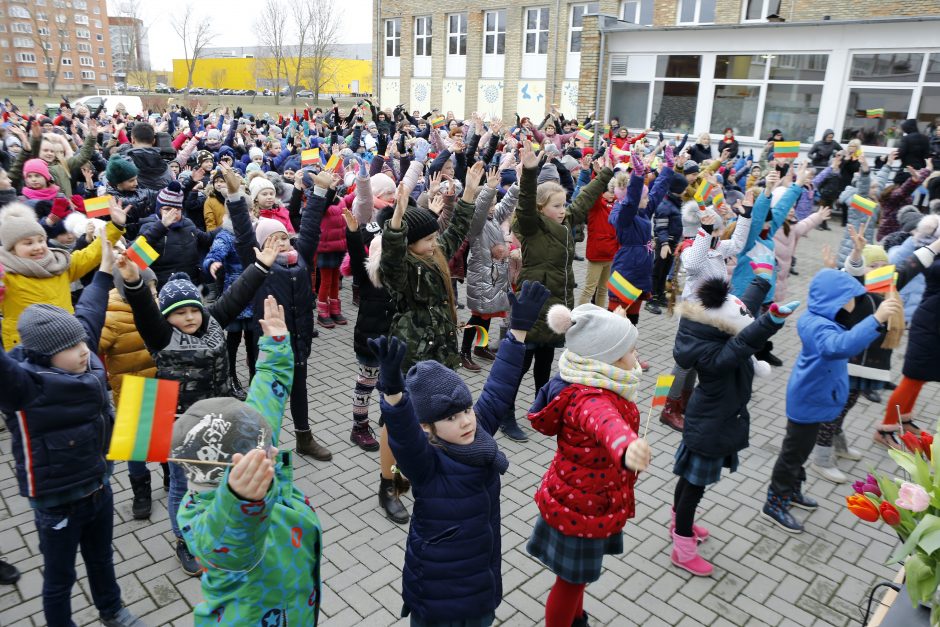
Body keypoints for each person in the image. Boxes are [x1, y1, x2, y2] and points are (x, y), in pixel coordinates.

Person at [372, 281, 551, 627]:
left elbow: (498, 387)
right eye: (451, 418)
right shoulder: (427, 465)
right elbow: (405, 439)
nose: (466, 421)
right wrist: (394, 397)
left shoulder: (478, 431)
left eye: (466, 410)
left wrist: (517, 333)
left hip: (481, 583)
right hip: (437, 595)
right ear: (428, 428)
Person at [0, 243, 144, 626]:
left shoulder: (85, 353)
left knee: (101, 558)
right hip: (56, 503)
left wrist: (104, 270)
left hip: (98, 486)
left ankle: (112, 610)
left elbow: (93, 306)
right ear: (46, 355)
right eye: (72, 347)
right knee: (60, 578)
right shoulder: (23, 386)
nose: (84, 351)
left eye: (83, 341)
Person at [118, 232, 277, 576]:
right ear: (166, 317)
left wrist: (261, 265)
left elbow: (237, 295)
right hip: (181, 425)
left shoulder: (214, 320)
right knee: (182, 485)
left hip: (221, 416)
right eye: (178, 313)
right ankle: (185, 539)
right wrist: (132, 281)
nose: (189, 317)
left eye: (193, 309)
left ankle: (221, 524)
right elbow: (145, 311)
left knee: (219, 478)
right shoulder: (160, 334)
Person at [171, 296, 323, 626]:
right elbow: (230, 541)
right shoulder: (201, 516)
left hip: (297, 607)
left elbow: (268, 390)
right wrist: (240, 503)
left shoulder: (253, 437)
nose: (273, 448)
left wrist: (277, 343)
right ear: (235, 468)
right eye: (263, 448)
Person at [525, 302, 650, 626]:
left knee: (576, 578)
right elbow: (605, 422)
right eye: (630, 350)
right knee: (569, 582)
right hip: (582, 507)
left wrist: (617, 325)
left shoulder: (594, 375)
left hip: (586, 499)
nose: (636, 357)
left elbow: (604, 346)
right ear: (607, 357)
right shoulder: (589, 398)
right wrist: (626, 446)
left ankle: (576, 618)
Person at [670, 271, 794, 574]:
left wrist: (760, 282)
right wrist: (771, 320)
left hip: (709, 422)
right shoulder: (714, 354)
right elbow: (744, 342)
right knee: (693, 488)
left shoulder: (712, 333)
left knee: (687, 481)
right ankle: (682, 548)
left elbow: (741, 312)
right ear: (716, 327)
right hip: (710, 427)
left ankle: (678, 524)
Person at [762, 269, 901, 532]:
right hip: (807, 402)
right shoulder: (816, 325)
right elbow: (839, 346)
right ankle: (774, 502)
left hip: (816, 399)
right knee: (792, 455)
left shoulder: (828, 320)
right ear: (834, 299)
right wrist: (876, 319)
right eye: (850, 298)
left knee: (800, 452)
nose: (854, 304)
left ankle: (792, 490)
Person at [225, 164, 333, 461]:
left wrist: (320, 191)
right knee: (266, 396)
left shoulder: (301, 260)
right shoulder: (258, 266)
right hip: (270, 347)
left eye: (284, 237)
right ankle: (255, 446)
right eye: (274, 240)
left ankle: (304, 438)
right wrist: (235, 196)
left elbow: (310, 226)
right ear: (261, 246)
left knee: (300, 392)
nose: (282, 243)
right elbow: (244, 234)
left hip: (298, 341)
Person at [508, 143, 613, 439]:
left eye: (564, 204)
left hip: (556, 307)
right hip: (533, 306)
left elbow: (585, 199)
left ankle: (543, 409)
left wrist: (604, 173)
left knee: (544, 364)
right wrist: (529, 172)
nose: (563, 209)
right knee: (519, 365)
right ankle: (505, 414)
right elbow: (525, 201)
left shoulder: (566, 223)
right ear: (542, 208)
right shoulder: (530, 225)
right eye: (556, 205)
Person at [380, 161, 487, 371]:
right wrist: (396, 221)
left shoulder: (436, 254)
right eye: (428, 239)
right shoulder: (403, 269)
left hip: (443, 348)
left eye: (434, 237)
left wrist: (469, 194)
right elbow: (391, 257)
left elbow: (457, 230)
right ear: (410, 243)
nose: (434, 243)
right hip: (414, 354)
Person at [0, 200, 126, 349]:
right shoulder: (5, 275)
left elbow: (90, 254)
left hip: (67, 340)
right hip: (27, 350)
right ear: (11, 248)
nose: (38, 247)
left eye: (41, 240)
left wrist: (116, 227)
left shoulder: (57, 264)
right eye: (28, 243)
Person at [99, 268, 160, 519]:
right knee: (136, 448)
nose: (155, 294)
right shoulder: (110, 316)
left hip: (159, 381)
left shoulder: (157, 307)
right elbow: (93, 346)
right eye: (150, 290)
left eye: (155, 288)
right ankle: (141, 491)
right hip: (131, 391)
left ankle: (169, 476)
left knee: (163, 435)